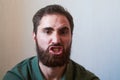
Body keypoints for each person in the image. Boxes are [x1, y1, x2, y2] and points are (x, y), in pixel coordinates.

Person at [3, 4, 100, 80]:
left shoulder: (87, 78)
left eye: (63, 32)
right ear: (35, 36)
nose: (56, 40)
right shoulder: (16, 77)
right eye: (48, 31)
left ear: (71, 36)